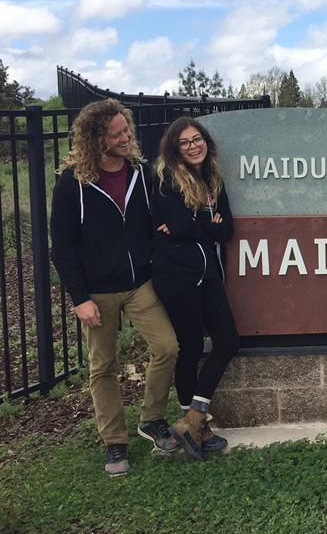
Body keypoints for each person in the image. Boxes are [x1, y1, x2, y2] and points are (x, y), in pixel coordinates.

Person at [50, 99, 179, 476]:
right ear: (97, 139)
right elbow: (62, 246)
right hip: (97, 291)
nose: (127, 138)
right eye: (118, 133)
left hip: (139, 283)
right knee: (103, 366)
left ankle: (152, 419)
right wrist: (80, 298)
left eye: (127, 131)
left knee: (167, 347)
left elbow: (154, 217)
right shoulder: (73, 183)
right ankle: (114, 442)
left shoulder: (139, 172)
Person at [152, 117, 239, 458]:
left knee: (228, 340)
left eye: (197, 139)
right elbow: (179, 226)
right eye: (185, 142)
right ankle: (197, 425)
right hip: (177, 277)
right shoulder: (166, 180)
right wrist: (203, 224)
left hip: (209, 274)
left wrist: (195, 225)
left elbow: (226, 229)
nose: (193, 146)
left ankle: (193, 418)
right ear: (175, 149)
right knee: (189, 347)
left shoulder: (213, 179)